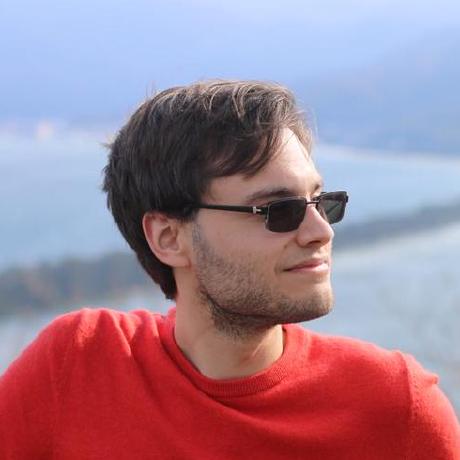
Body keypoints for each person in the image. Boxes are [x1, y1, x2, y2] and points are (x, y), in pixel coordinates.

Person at [0, 80, 458, 459]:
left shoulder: (396, 407)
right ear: (168, 237)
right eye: (278, 210)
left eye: (322, 202)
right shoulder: (77, 366)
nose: (320, 231)